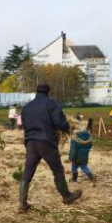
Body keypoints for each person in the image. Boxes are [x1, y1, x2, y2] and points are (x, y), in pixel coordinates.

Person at [19, 84, 82, 212]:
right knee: (58, 170)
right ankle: (67, 196)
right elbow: (59, 122)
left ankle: (22, 204)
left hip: (31, 142)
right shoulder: (51, 104)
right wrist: (67, 128)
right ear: (48, 92)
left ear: (36, 91)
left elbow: (24, 125)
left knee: (28, 172)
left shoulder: (26, 107)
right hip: (46, 141)